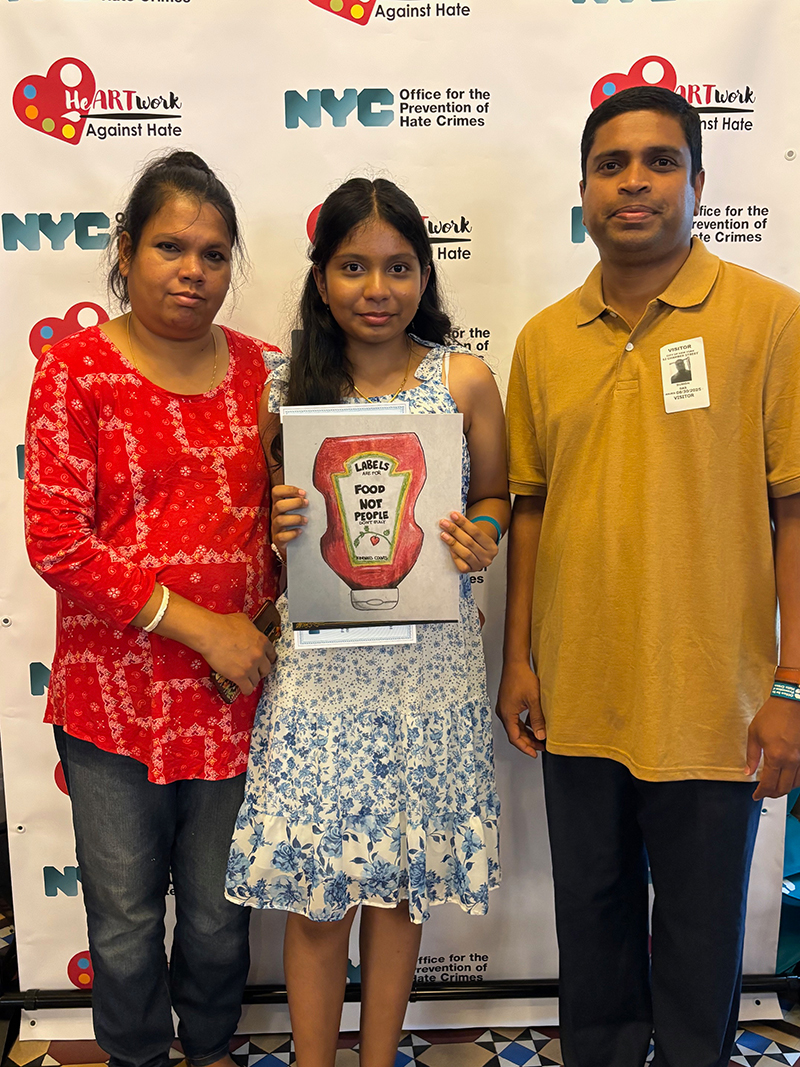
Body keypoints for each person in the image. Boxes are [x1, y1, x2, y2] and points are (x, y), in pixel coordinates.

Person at [498, 85, 800, 1067]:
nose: (633, 181)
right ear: (583, 189)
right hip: (578, 692)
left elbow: (794, 511)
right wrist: (519, 659)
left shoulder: (769, 319)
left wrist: (792, 684)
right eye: (611, 164)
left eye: (659, 161)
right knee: (590, 925)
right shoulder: (544, 339)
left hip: (714, 699)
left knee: (702, 936)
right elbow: (528, 508)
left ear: (697, 182)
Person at [225, 177, 508, 1067]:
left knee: (401, 892)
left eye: (398, 267)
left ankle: (378, 1059)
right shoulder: (285, 388)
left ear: (425, 275)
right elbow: (271, 538)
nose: (376, 288)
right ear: (321, 278)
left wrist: (485, 533)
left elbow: (497, 496)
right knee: (318, 895)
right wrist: (277, 526)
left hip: (429, 672)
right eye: (353, 267)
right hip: (322, 676)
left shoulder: (464, 380)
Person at [24, 150, 280, 1067]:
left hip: (231, 701)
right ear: (126, 251)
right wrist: (203, 625)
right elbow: (57, 541)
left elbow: (301, 518)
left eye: (213, 254)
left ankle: (209, 1048)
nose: (192, 270)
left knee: (217, 916)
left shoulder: (264, 374)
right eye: (171, 247)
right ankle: (136, 1055)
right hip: (112, 702)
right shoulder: (75, 371)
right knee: (126, 921)